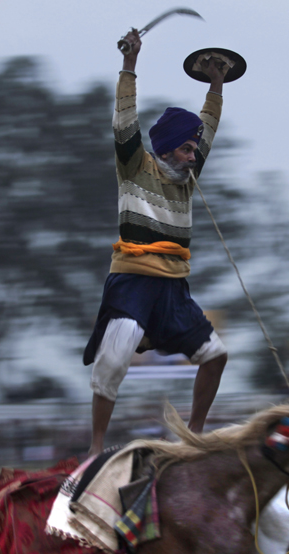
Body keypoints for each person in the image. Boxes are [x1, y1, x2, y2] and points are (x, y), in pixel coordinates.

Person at [83, 29, 229, 456]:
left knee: (216, 356)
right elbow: (123, 119)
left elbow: (210, 126)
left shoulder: (188, 178)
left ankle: (194, 435)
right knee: (114, 359)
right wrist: (130, 65)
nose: (193, 155)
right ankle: (95, 448)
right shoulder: (135, 166)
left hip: (173, 288)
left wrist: (216, 83)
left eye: (194, 150)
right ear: (165, 150)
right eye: (186, 149)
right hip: (132, 283)